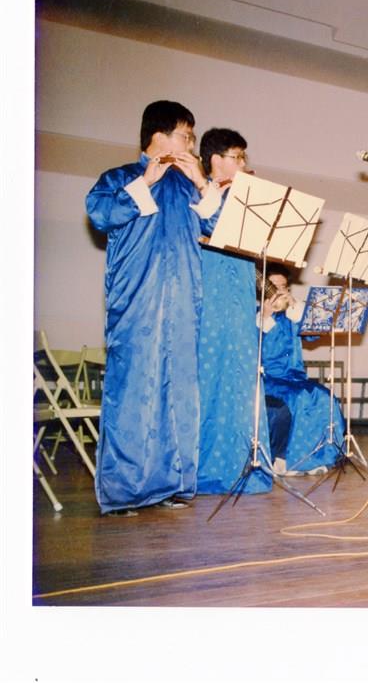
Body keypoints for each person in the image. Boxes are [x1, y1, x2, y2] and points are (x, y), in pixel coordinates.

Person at [86, 100, 220, 515]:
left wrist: (203, 184)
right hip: (136, 305)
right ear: (159, 136)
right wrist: (145, 181)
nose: (192, 145)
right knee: (133, 395)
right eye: (186, 136)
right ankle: (125, 491)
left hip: (183, 304)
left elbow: (221, 229)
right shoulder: (119, 178)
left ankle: (173, 485)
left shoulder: (187, 185)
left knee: (179, 393)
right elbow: (100, 215)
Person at [194, 128, 272, 494]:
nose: (243, 163)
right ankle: (205, 468)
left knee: (243, 379)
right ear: (215, 160)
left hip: (240, 295)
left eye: (243, 157)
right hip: (212, 296)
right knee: (210, 376)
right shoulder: (197, 192)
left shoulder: (246, 201)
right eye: (236, 157)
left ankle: (247, 462)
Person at [259, 265, 344, 475]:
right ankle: (289, 460)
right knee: (298, 399)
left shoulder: (292, 316)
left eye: (283, 287)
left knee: (325, 397)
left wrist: (296, 306)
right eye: (273, 287)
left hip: (295, 377)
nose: (278, 292)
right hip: (269, 379)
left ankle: (318, 457)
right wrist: (266, 317)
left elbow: (313, 335)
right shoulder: (257, 318)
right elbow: (252, 347)